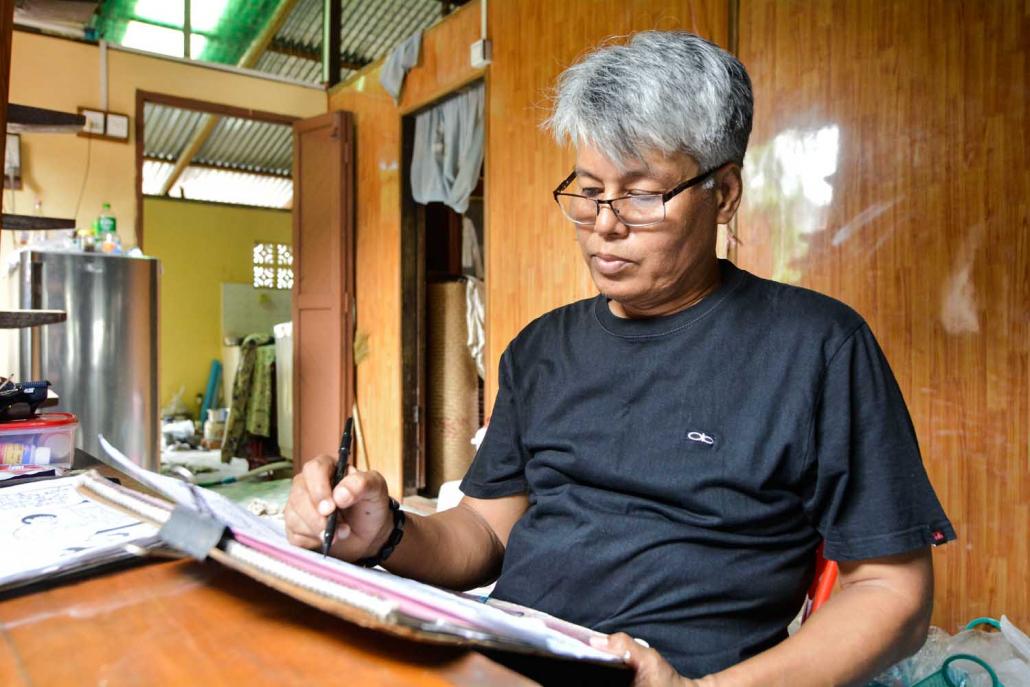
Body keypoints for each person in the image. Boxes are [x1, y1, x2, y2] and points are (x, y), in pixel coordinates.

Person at [285, 31, 954, 686]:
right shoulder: (542, 350)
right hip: (502, 658)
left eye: (640, 194)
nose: (605, 222)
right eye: (588, 190)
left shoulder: (817, 348)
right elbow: (485, 532)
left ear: (722, 194)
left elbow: (892, 592)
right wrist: (385, 533)